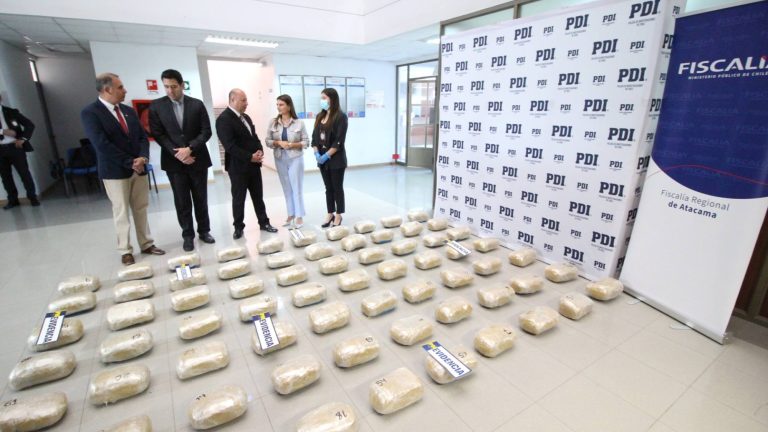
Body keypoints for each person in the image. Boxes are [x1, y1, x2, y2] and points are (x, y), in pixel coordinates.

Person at [81, 73, 166, 265]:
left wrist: (143, 157)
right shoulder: (91, 113)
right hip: (115, 171)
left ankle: (146, 243)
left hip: (138, 169)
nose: (124, 90)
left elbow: (142, 137)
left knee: (141, 207)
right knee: (121, 211)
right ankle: (125, 250)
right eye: (120, 87)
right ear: (107, 89)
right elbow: (101, 144)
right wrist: (130, 162)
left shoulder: (128, 111)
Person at [149, 69, 215, 252]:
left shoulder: (197, 105)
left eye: (174, 86)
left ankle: (204, 231)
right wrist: (178, 153)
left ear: (182, 85)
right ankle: (187, 235)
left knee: (201, 198)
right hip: (174, 163)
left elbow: (206, 131)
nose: (170, 90)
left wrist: (190, 148)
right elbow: (158, 134)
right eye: (166, 87)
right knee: (182, 200)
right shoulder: (156, 106)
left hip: (197, 159)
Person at [216, 88, 278, 239]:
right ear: (232, 100)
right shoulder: (223, 119)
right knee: (239, 199)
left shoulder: (246, 117)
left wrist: (260, 150)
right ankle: (238, 227)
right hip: (238, 167)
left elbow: (254, 137)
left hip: (254, 166)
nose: (246, 103)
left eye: (246, 100)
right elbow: (229, 146)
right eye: (243, 100)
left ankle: (264, 222)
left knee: (258, 196)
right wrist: (250, 156)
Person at [264, 95, 309, 229]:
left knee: (296, 187)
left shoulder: (299, 123)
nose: (278, 107)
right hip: (279, 158)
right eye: (277, 104)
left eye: (281, 104)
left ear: (289, 106)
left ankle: (299, 216)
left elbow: (306, 142)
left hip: (295, 158)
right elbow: (268, 141)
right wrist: (278, 142)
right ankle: (291, 214)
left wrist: (291, 145)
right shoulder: (273, 123)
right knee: (286, 188)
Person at [312, 88, 348, 227]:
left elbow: (339, 141)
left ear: (332, 99)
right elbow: (314, 138)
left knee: (337, 187)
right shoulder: (319, 116)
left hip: (336, 160)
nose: (322, 101)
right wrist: (317, 154)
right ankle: (330, 213)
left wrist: (327, 155)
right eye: (321, 98)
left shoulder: (340, 117)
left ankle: (338, 215)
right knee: (328, 188)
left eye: (324, 98)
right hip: (322, 160)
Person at [0, 94, 38, 209]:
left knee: (24, 173)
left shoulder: (11, 112)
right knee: (5, 176)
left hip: (15, 147)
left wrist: (23, 139)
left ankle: (32, 197)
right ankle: (13, 200)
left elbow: (30, 125)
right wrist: (2, 131)